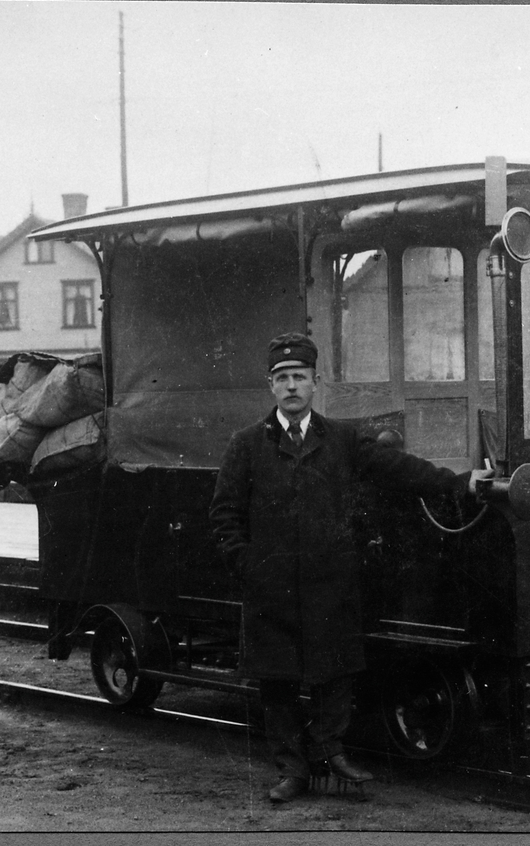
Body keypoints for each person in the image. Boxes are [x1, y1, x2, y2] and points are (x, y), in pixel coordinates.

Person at [209, 333, 492, 803]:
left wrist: (459, 483)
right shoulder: (246, 444)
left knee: (335, 673)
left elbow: (398, 468)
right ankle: (292, 771)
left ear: (315, 383)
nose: (292, 386)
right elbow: (224, 517)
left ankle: (330, 753)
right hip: (271, 588)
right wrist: (250, 568)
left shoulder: (341, 439)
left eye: (300, 377)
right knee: (278, 682)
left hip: (329, 584)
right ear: (270, 386)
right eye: (283, 378)